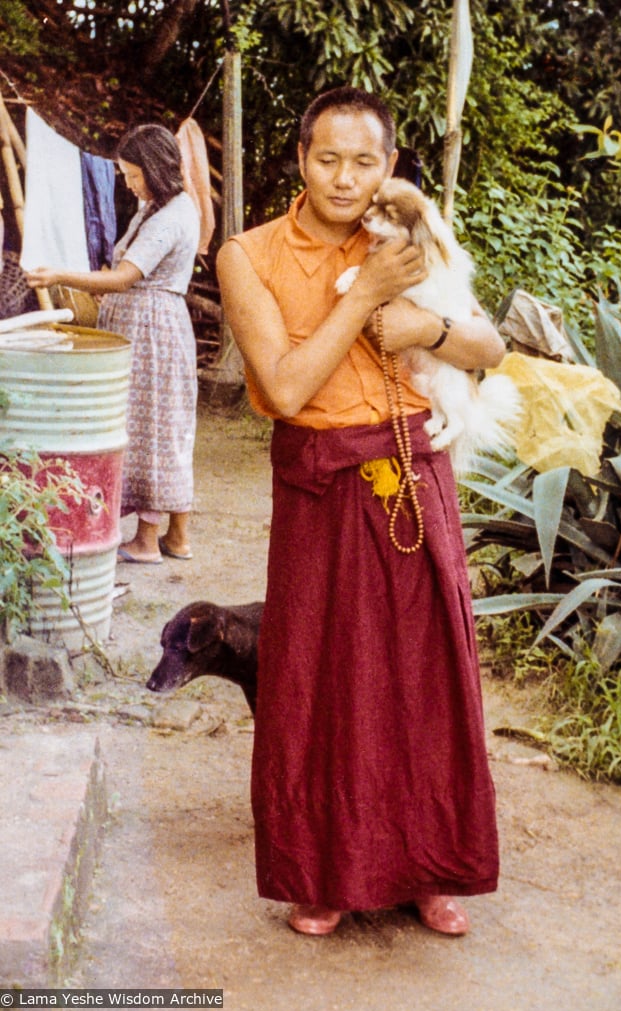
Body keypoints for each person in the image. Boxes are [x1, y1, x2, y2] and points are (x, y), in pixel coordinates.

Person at [216, 85, 504, 938]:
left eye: (364, 161)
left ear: (388, 166)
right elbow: (286, 384)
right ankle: (325, 874)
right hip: (321, 486)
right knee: (320, 681)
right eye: (327, 158)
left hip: (415, 475)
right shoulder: (250, 253)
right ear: (301, 160)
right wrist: (367, 291)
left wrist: (423, 329)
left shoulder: (408, 235)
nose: (345, 178)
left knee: (426, 682)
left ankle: (431, 868)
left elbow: (490, 346)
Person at [27, 124, 200, 564]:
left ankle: (146, 540)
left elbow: (126, 277)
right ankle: (177, 537)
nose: (128, 183)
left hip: (152, 332)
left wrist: (60, 275)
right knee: (165, 427)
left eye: (133, 174)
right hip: (145, 324)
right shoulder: (157, 209)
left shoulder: (172, 216)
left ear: (156, 170)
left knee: (152, 430)